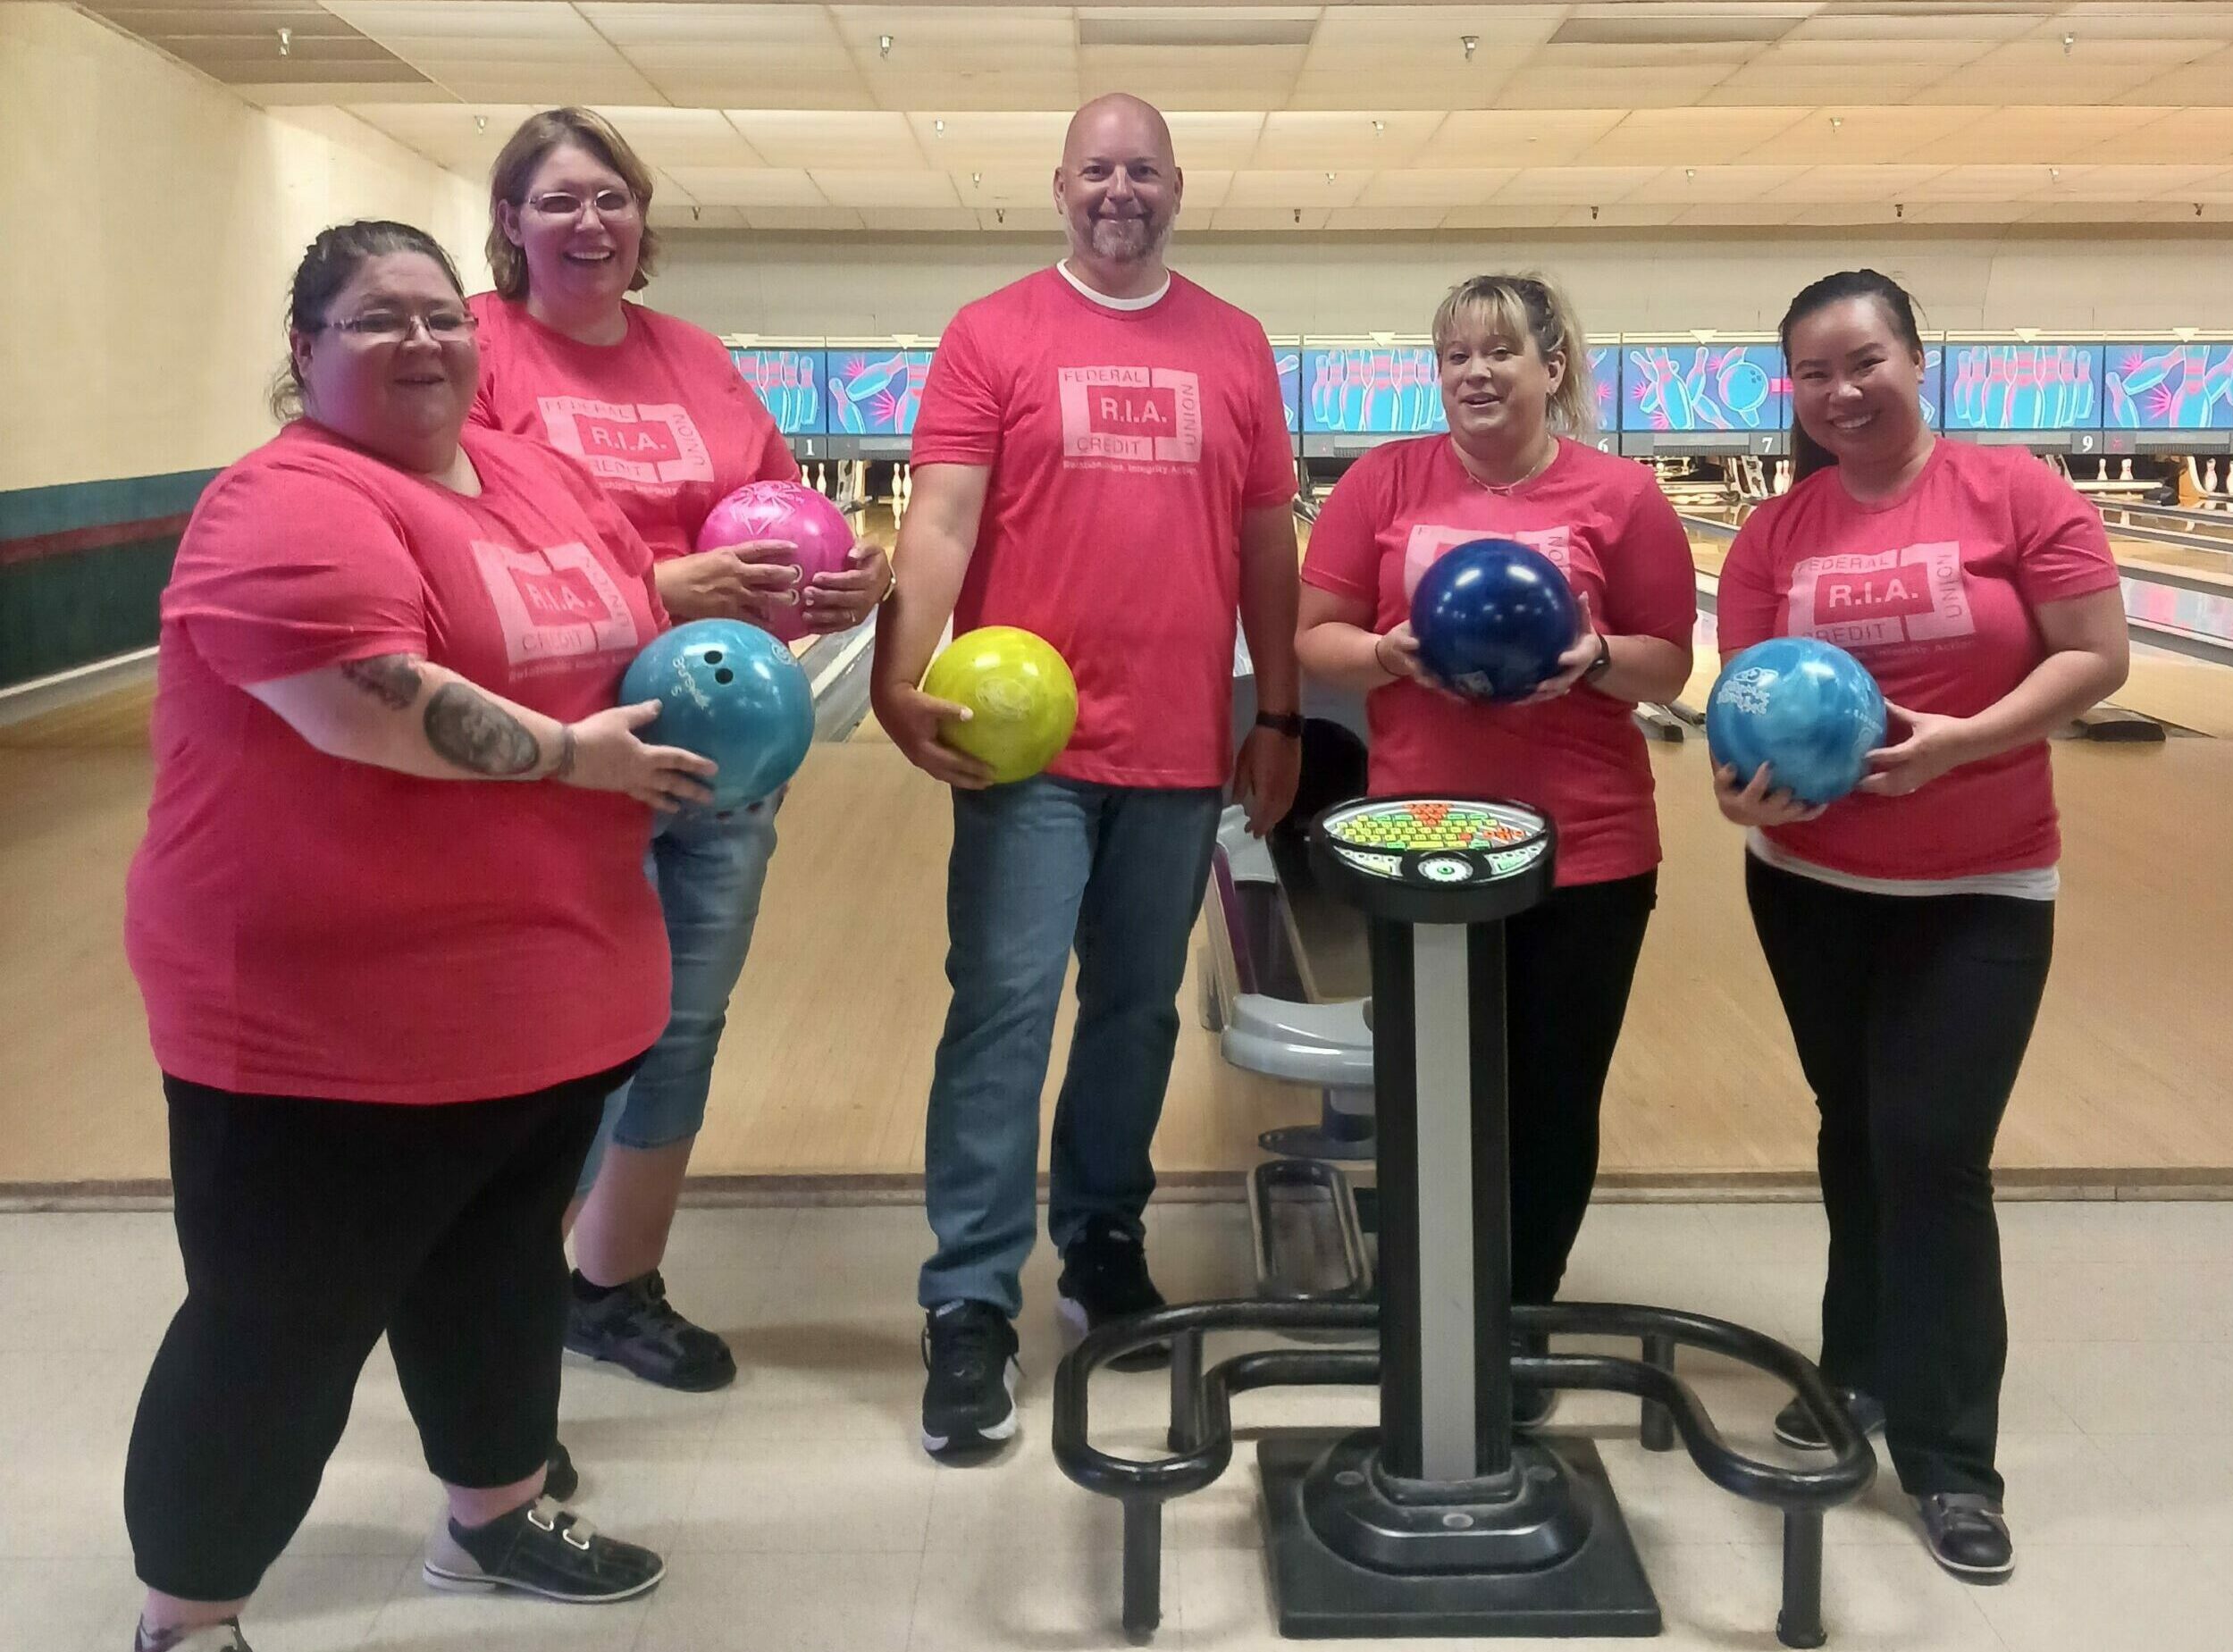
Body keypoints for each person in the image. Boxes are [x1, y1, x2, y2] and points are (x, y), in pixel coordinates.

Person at [117, 221, 705, 1652]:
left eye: (442, 314)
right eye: (379, 322)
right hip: (328, 1020)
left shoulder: (530, 473)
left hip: (547, 998)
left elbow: (634, 615)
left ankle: (493, 1514)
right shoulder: (287, 503)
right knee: (279, 1320)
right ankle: (185, 1626)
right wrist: (581, 757)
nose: (425, 342)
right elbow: (367, 702)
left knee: (499, 1270)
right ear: (305, 349)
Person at [870, 92, 1303, 1461]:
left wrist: (1278, 709)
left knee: (1136, 1014)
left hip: (1180, 747)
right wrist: (896, 671)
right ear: (1059, 185)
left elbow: (1267, 543)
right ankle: (970, 1304)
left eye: (1144, 171)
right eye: (1096, 170)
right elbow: (938, 519)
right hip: (1026, 752)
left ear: (1178, 186)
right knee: (1000, 1010)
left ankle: (1103, 1236)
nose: (1120, 190)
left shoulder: (1234, 343)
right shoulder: (993, 333)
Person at [471, 108, 894, 1392]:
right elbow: (459, 539)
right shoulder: (478, 353)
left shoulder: (702, 364)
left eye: (611, 197)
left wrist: (840, 587)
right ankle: (487, 1310)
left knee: (681, 1024)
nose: (589, 222)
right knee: (540, 1043)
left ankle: (610, 1287)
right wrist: (665, 578)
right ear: (509, 222)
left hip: (721, 757)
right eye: (557, 201)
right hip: (557, 756)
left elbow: (785, 531)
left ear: (644, 217)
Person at [1714, 268, 2128, 1582]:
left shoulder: (2016, 493)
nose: (1842, 392)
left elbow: (2095, 655)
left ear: (1915, 358)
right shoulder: (1777, 536)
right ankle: (1860, 1371)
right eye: (1815, 374)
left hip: (1983, 886)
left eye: (1865, 361)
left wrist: (1961, 746)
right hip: (1811, 884)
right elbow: (1741, 703)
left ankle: (1953, 1460)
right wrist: (1736, 789)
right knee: (1856, 1131)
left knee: (1933, 1149)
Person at [1294, 273, 1697, 1423]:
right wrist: (1388, 655)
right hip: (1419, 837)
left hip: (1588, 842)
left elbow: (1667, 660)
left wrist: (1595, 658)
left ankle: (1519, 1313)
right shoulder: (1382, 480)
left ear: (1551, 367)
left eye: (1501, 351)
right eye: (1455, 353)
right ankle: (1429, 1301)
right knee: (1429, 1093)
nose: (1475, 371)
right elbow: (1312, 639)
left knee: (1552, 1096)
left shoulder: (1621, 496)